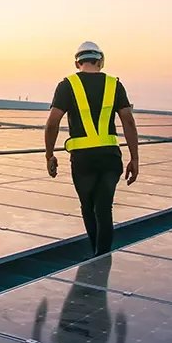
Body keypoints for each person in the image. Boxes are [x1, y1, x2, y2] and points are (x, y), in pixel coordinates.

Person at [44, 41, 139, 256]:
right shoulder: (114, 85)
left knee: (88, 208)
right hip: (110, 158)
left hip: (83, 160)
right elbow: (129, 121)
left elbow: (52, 123)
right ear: (100, 61)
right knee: (104, 209)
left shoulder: (67, 85)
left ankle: (97, 255)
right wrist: (135, 158)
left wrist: (49, 155)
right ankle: (102, 256)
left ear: (77, 63)